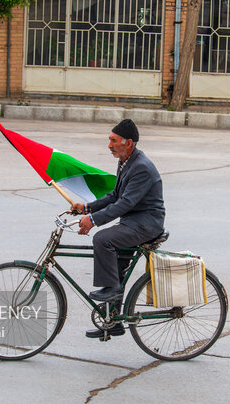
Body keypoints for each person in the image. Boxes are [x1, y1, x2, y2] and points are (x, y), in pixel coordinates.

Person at [71, 119, 165, 338]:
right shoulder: (126, 161)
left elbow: (125, 204)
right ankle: (112, 322)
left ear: (128, 143)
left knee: (103, 240)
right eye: (109, 140)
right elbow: (115, 195)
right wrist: (86, 208)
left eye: (113, 141)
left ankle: (111, 290)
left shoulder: (141, 167)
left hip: (146, 224)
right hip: (133, 222)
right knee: (116, 268)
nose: (109, 145)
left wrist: (93, 220)